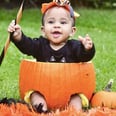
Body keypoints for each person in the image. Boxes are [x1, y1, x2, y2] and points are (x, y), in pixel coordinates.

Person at [8, 0, 95, 113]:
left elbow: (84, 57)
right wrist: (18, 37)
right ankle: (42, 111)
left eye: (63, 23)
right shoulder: (40, 45)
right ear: (43, 30)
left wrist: (87, 49)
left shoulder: (74, 46)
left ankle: (74, 113)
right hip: (43, 90)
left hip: (70, 91)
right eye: (51, 22)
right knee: (34, 95)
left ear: (72, 31)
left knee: (77, 99)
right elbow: (28, 46)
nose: (56, 26)